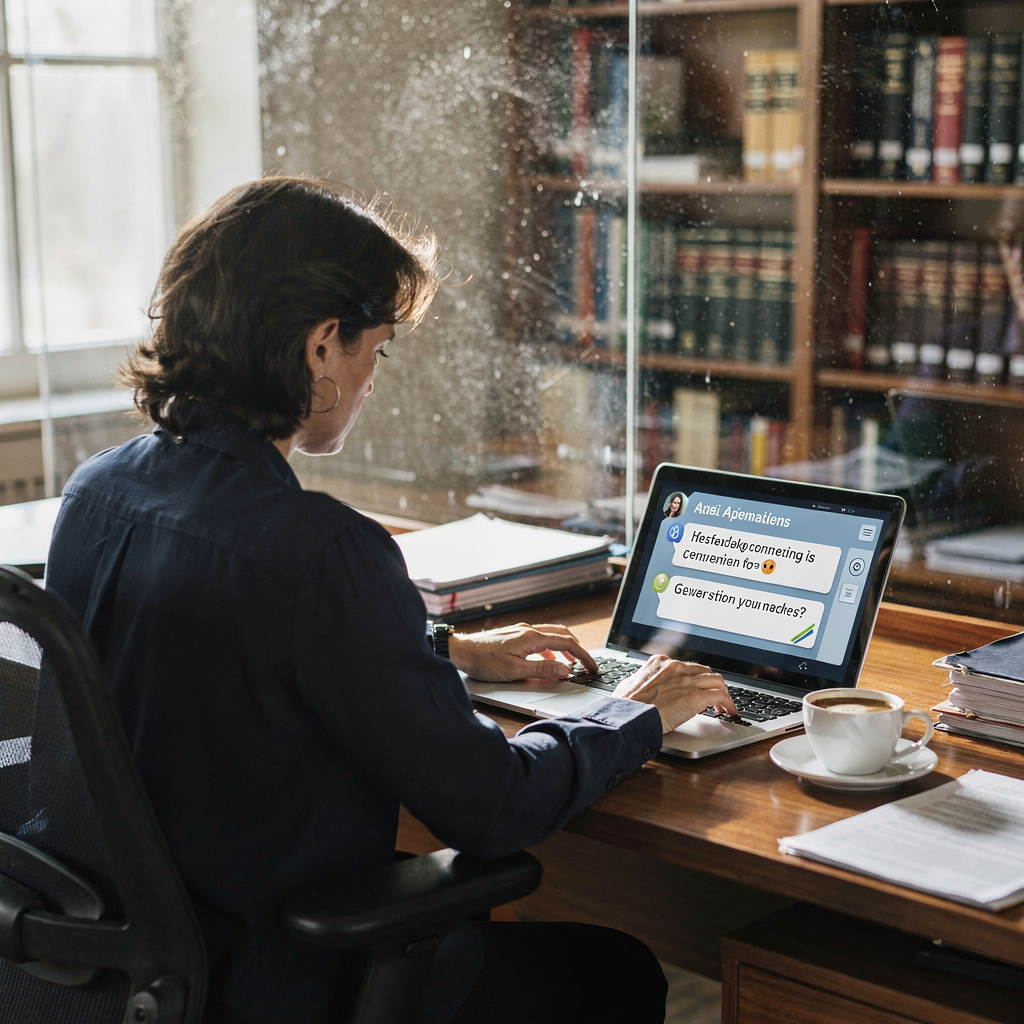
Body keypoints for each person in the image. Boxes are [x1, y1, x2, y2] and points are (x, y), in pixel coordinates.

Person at [45, 178, 735, 1024]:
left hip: (138, 972)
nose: (375, 376)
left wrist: (444, 649)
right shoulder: (319, 549)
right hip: (280, 978)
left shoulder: (96, 491)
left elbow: (225, 643)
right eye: (379, 345)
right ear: (323, 345)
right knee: (616, 972)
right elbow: (492, 807)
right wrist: (638, 716)